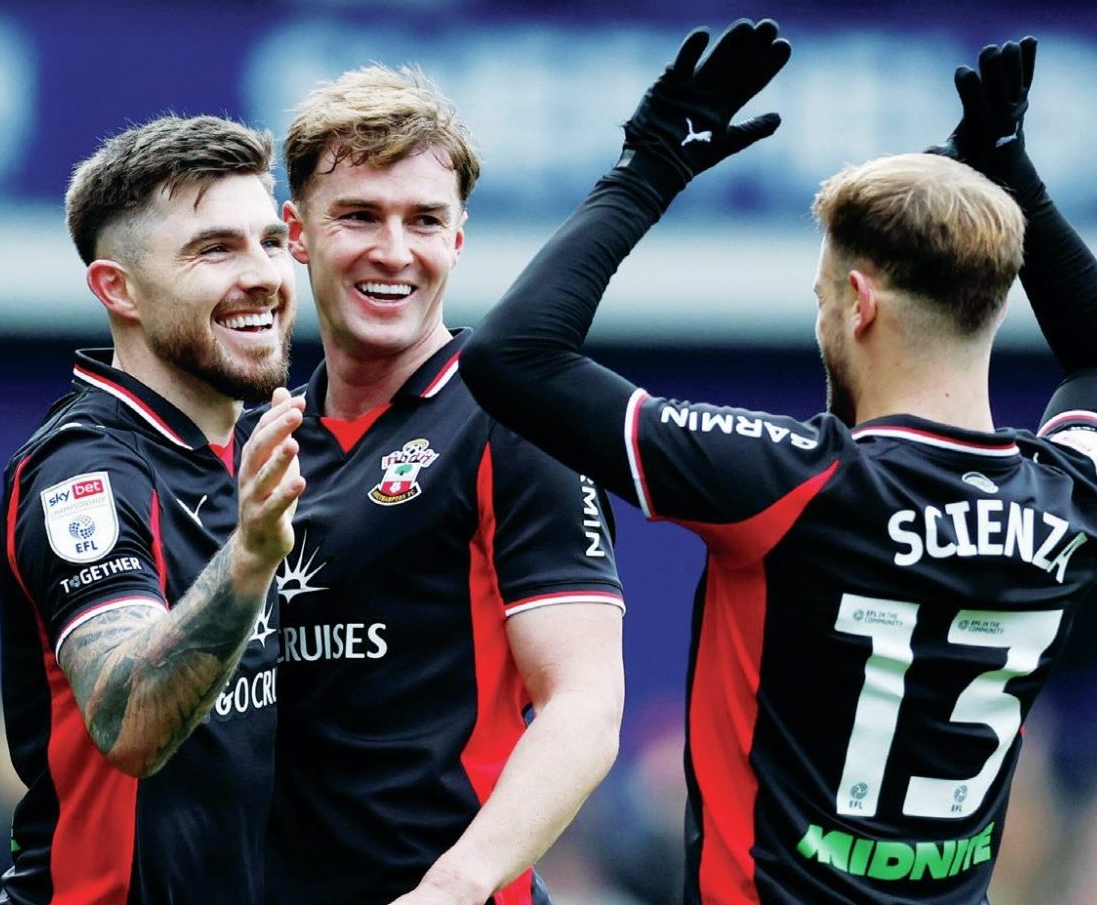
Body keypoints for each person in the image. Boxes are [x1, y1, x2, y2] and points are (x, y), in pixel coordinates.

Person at [463, 22, 1097, 904]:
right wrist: (1012, 178)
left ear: (859, 301)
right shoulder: (1070, 499)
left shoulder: (793, 482)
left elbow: (510, 356)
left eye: (821, 297)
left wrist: (647, 168)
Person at [267, 65, 626, 905]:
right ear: (297, 232)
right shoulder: (261, 440)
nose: (394, 251)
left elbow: (584, 703)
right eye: (359, 215)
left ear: (457, 239)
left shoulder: (513, 418)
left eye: (424, 220)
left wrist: (454, 886)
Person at [0, 114, 305, 904]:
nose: (263, 274)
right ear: (117, 289)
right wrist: (249, 559)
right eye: (214, 250)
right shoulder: (83, 471)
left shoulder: (264, 445)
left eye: (271, 241)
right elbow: (129, 721)